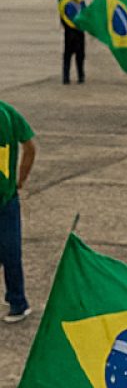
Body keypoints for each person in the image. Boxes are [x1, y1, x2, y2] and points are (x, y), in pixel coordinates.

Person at [0, 98, 36, 324]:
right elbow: (30, 146)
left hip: (6, 199)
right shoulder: (8, 112)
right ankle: (17, 302)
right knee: (10, 251)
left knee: (9, 252)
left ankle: (17, 301)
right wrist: (20, 179)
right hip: (6, 197)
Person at [57, 0, 86, 85]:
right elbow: (85, 15)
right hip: (79, 31)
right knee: (80, 56)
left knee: (67, 56)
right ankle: (81, 76)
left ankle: (66, 77)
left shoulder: (63, 1)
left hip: (68, 32)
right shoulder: (80, 1)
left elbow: (62, 16)